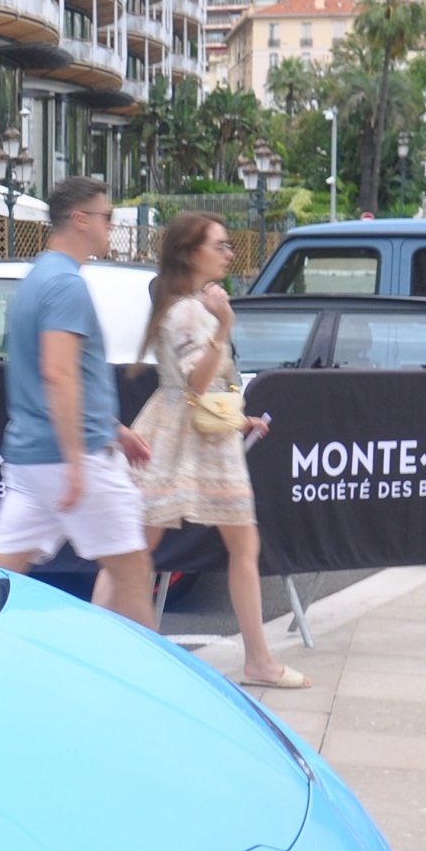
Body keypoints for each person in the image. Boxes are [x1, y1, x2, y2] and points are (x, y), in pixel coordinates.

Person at [130, 214, 306, 688]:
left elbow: (197, 389)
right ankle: (257, 661)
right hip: (190, 439)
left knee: (140, 549)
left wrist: (238, 418)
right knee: (141, 550)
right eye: (220, 245)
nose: (229, 253)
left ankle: (254, 660)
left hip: (193, 434)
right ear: (192, 253)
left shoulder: (184, 304)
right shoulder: (191, 309)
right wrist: (223, 323)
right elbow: (195, 384)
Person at [0, 176, 155, 626]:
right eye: (106, 217)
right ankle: (148, 685)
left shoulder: (39, 278)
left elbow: (63, 375)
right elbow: (57, 373)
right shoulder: (66, 286)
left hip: (31, 458)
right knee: (134, 574)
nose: (110, 227)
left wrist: (115, 429)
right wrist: (77, 459)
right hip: (71, 460)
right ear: (80, 220)